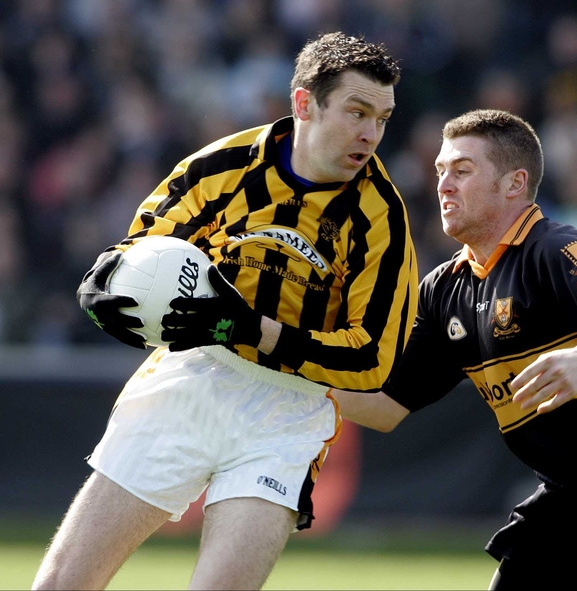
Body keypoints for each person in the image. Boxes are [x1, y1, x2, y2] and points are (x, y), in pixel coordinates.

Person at [33, 32, 418, 591]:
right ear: (304, 103)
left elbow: (372, 360)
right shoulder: (225, 166)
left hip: (286, 412)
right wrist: (106, 278)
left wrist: (256, 331)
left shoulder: (381, 216)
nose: (370, 134)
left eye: (382, 118)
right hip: (188, 376)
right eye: (357, 112)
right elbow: (143, 248)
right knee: (61, 585)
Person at [332, 109, 577, 590]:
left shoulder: (557, 251)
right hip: (570, 496)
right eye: (440, 171)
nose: (443, 185)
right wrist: (279, 369)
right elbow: (383, 406)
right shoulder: (442, 291)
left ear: (514, 183)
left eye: (462, 170)